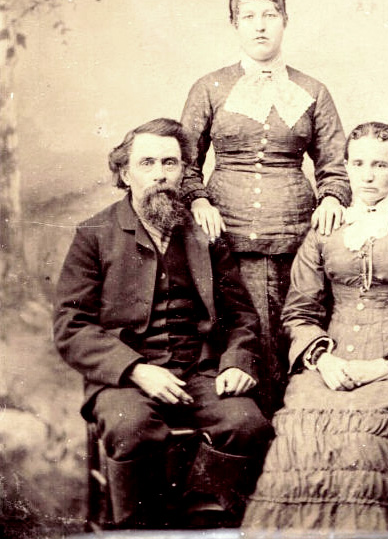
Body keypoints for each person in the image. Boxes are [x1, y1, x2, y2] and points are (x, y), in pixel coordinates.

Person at [53, 118, 273, 530]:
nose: (160, 174)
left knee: (247, 425)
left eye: (170, 163)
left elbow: (241, 315)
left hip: (200, 371)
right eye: (147, 163)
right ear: (125, 173)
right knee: (132, 427)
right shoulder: (94, 234)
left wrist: (236, 362)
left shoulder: (205, 233)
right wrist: (135, 369)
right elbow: (71, 324)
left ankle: (202, 515)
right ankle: (141, 526)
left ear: (183, 170)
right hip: (125, 378)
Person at [243, 122, 388, 531]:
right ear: (345, 167)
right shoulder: (324, 232)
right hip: (331, 367)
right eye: (358, 163)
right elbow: (299, 313)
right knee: (299, 439)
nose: (368, 175)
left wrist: (382, 366)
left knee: (360, 443)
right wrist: (323, 361)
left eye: (380, 164)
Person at [180, 0, 351, 415]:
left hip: (297, 238)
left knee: (294, 332)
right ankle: (244, 439)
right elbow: (184, 162)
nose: (260, 26)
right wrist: (198, 199)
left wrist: (332, 198)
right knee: (239, 339)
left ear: (285, 20)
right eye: (249, 16)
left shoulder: (313, 90)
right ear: (234, 24)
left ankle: (291, 440)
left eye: (270, 15)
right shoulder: (209, 88)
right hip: (225, 239)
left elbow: (335, 164)